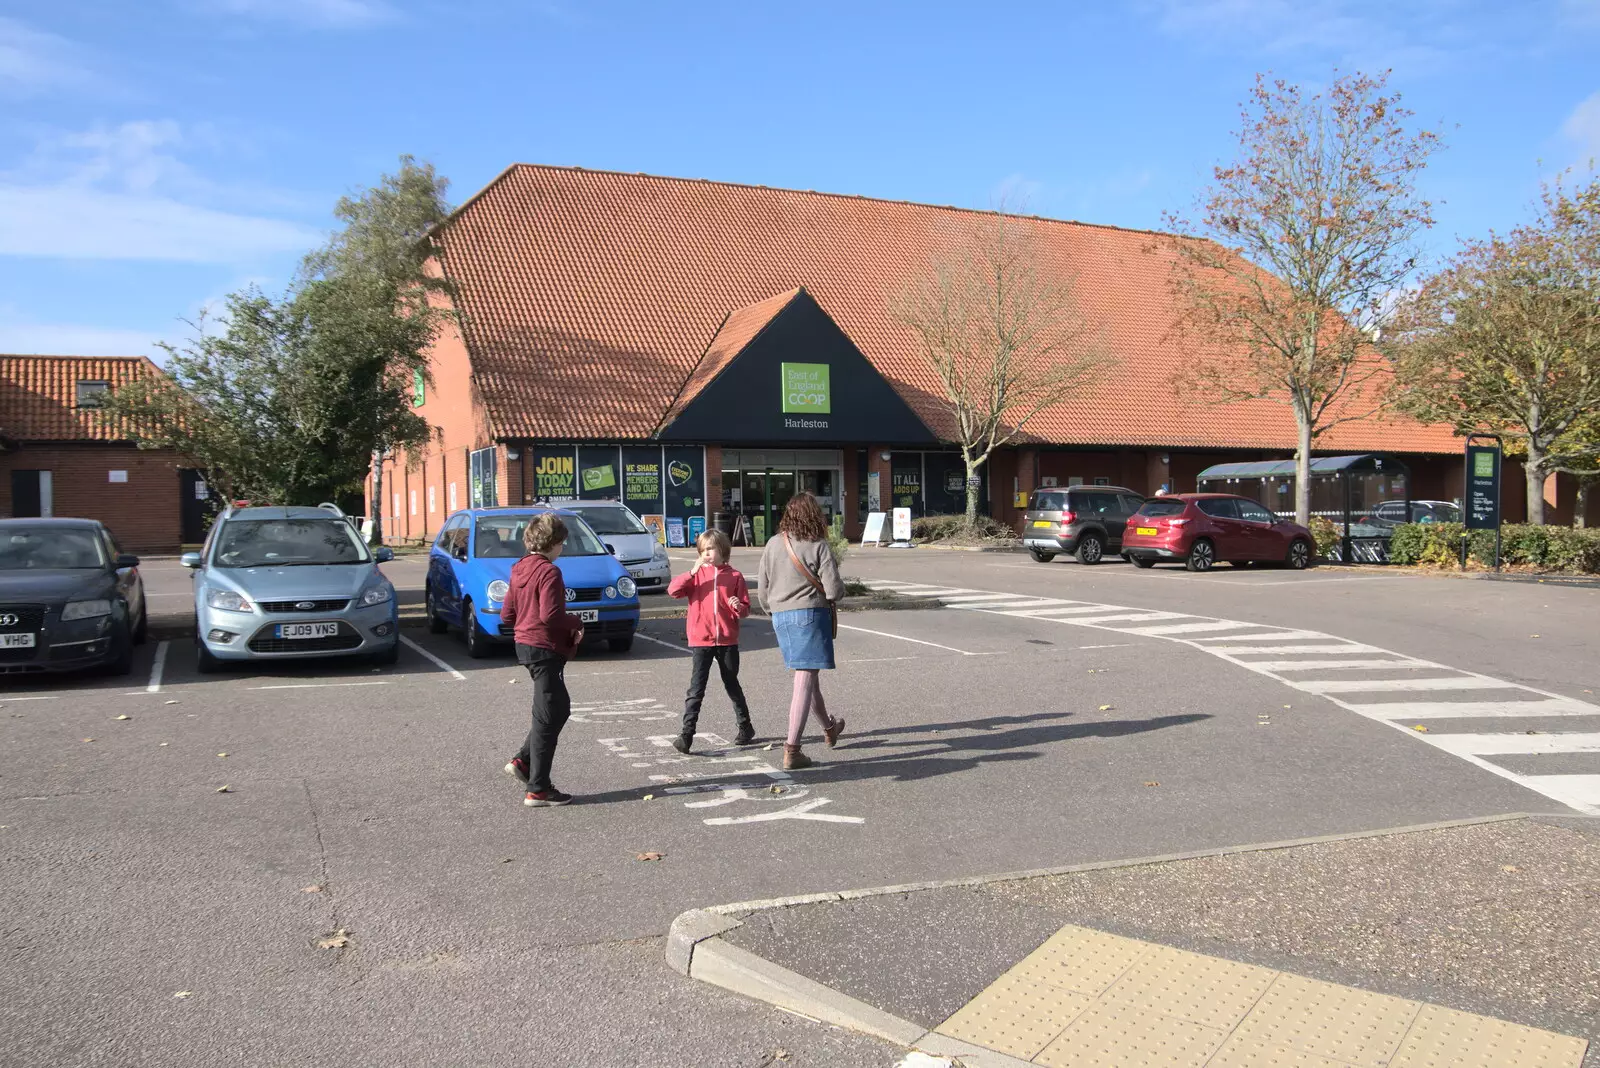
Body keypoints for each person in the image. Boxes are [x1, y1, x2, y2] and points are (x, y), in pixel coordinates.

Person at [500, 513, 584, 807]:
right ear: (555, 543)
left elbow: (506, 615)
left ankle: (523, 762)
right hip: (545, 648)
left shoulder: (519, 568)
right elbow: (550, 616)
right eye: (562, 543)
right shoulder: (550, 572)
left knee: (554, 709)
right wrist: (576, 622)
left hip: (524, 646)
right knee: (550, 713)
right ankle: (538, 788)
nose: (563, 548)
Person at [758, 492, 846, 770]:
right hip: (809, 614)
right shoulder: (818, 545)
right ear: (814, 515)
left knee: (808, 679)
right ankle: (792, 749)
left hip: (779, 615)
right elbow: (833, 590)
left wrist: (772, 610)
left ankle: (830, 728)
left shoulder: (773, 543)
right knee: (804, 680)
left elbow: (762, 587)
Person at [666, 529, 754, 753]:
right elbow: (673, 590)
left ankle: (745, 726)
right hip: (701, 640)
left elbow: (745, 610)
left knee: (731, 683)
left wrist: (738, 607)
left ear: (722, 550)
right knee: (696, 689)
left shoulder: (734, 577)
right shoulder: (696, 576)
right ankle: (686, 735)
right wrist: (691, 571)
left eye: (711, 549)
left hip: (726, 640)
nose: (706, 553)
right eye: (703, 550)